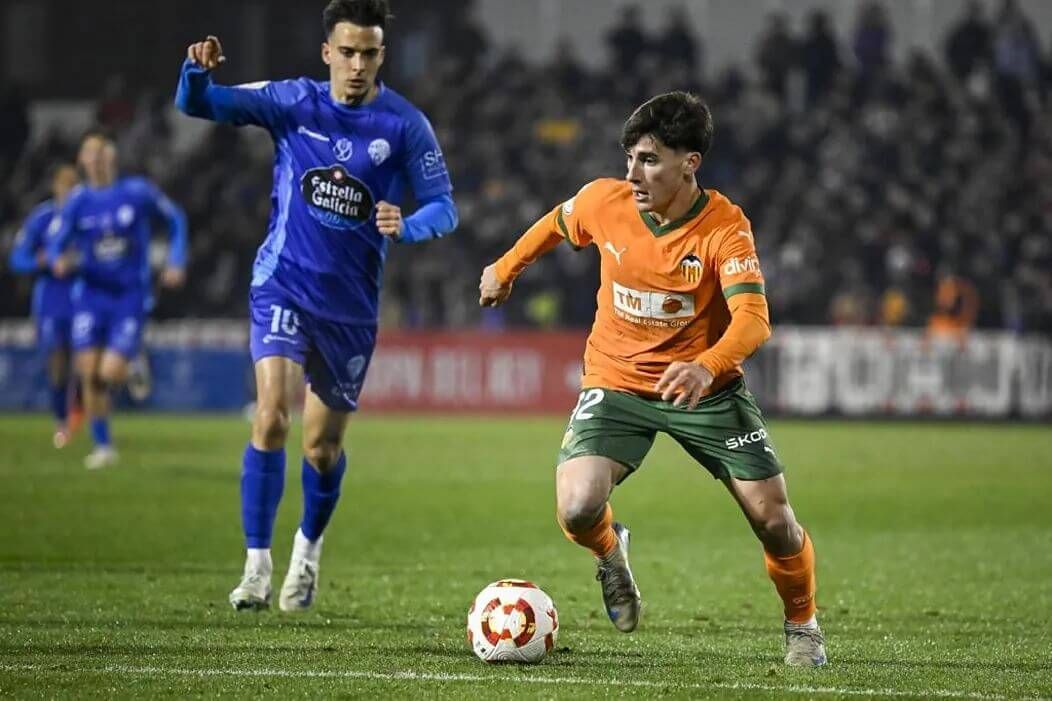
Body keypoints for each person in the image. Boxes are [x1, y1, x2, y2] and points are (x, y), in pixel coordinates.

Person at [478, 92, 826, 667]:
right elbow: (556, 223)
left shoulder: (723, 228)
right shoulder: (604, 201)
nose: (632, 174)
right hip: (617, 381)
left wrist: (706, 365)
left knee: (774, 520)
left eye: (649, 159)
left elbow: (754, 320)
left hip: (706, 390)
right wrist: (503, 267)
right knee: (577, 506)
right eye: (630, 158)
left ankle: (802, 624)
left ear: (690, 162)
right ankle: (612, 555)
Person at [175, 0, 458, 613]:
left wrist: (407, 225)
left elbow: (444, 206)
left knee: (320, 449)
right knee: (272, 415)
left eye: (370, 54)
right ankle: (256, 567)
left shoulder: (405, 124)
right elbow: (201, 104)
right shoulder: (291, 100)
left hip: (350, 308)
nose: (358, 65)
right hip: (283, 283)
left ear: (383, 55)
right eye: (348, 52)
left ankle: (307, 550)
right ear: (327, 52)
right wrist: (196, 73)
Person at [47, 131, 188, 469]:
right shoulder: (78, 201)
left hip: (129, 296)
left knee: (109, 373)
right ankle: (104, 446)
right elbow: (57, 241)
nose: (94, 159)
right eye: (88, 154)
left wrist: (176, 260)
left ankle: (133, 362)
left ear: (111, 157)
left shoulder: (135, 192)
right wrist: (58, 259)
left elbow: (176, 219)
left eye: (100, 152)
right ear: (82, 161)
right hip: (91, 296)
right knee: (89, 374)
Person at [8, 164, 82, 448]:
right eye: (65, 188)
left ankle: (82, 412)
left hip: (83, 297)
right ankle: (61, 422)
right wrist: (41, 262)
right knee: (58, 367)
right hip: (51, 302)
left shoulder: (87, 216)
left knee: (87, 365)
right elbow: (17, 259)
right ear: (56, 188)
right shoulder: (42, 218)